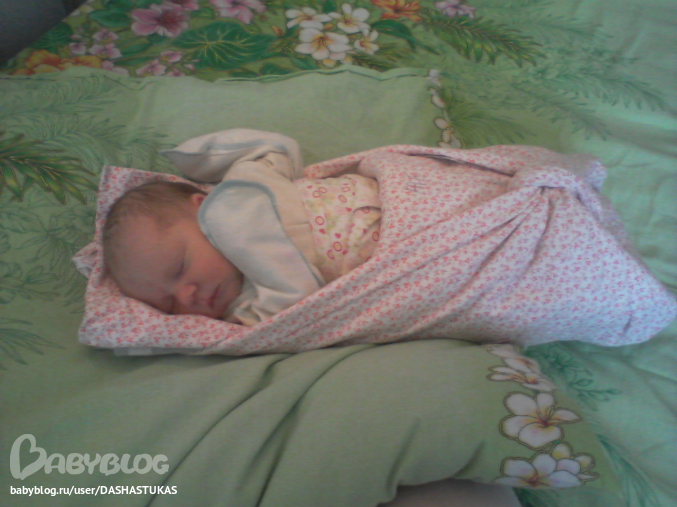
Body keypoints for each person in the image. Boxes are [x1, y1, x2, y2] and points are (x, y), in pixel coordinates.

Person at [103, 160, 382, 325]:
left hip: (388, 194)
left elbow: (273, 153)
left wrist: (207, 158)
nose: (186, 296)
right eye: (169, 306)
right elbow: (296, 310)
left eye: (180, 267)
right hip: (392, 251)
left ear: (203, 207)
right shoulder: (249, 306)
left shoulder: (240, 193)